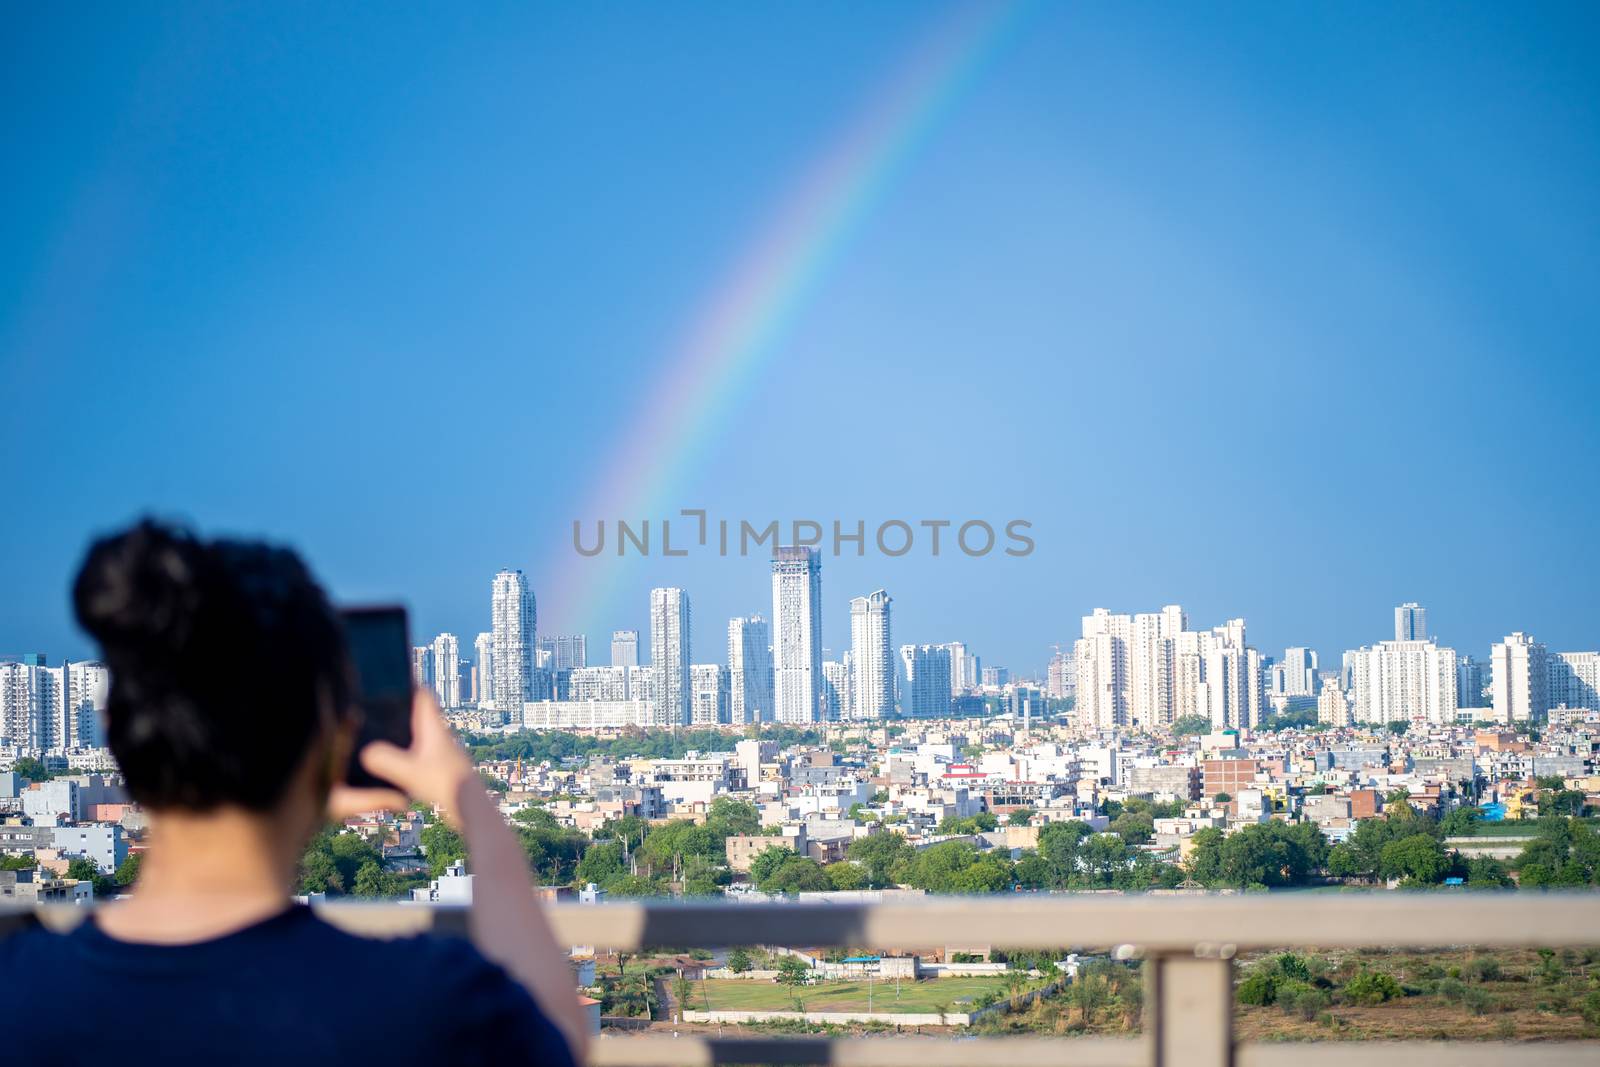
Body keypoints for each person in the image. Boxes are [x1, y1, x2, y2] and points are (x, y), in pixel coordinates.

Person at [0, 520, 587, 1065]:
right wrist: (471, 804)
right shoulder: (418, 1004)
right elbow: (560, 1038)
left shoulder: (20, 990)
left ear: (117, 738)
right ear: (332, 741)